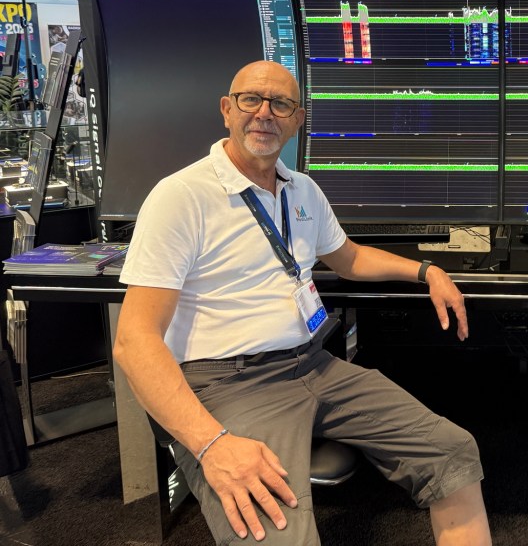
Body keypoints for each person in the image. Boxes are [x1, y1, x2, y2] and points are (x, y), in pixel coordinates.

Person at [113, 60, 492, 545]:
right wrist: (213, 446)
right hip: (227, 383)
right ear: (227, 110)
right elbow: (134, 342)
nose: (264, 113)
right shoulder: (181, 196)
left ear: (297, 120)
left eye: (280, 104)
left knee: (453, 452)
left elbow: (350, 257)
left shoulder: (303, 190)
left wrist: (426, 271)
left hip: (313, 364)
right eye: (251, 99)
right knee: (277, 532)